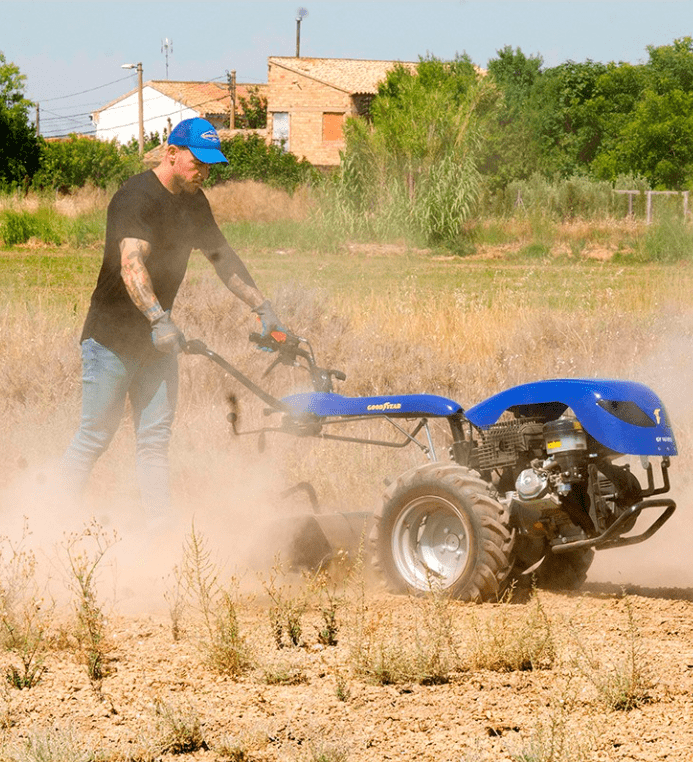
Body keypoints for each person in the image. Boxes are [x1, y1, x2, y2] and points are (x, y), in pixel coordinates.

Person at [61, 117, 283, 529]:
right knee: (94, 438)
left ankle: (160, 532)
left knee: (154, 441)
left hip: (157, 343)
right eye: (198, 162)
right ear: (172, 154)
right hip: (110, 339)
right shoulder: (136, 197)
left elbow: (223, 260)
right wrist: (159, 318)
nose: (205, 172)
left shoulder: (194, 202)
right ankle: (52, 521)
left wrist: (262, 305)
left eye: (211, 165)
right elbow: (131, 264)